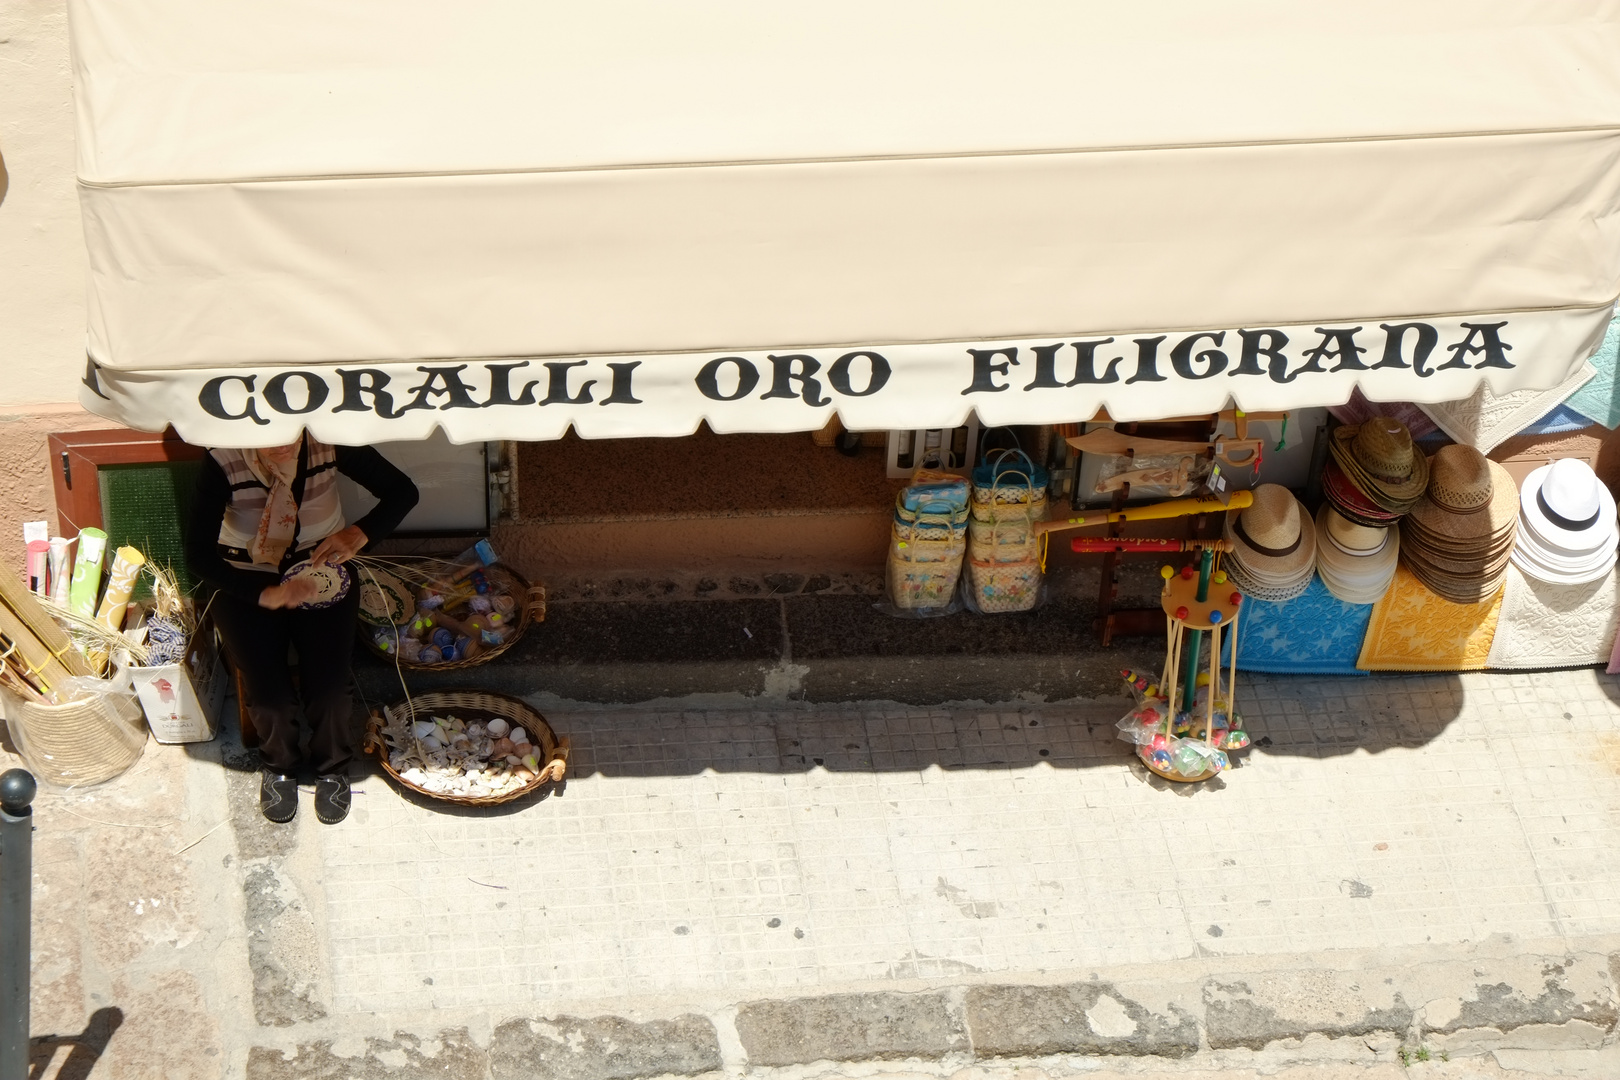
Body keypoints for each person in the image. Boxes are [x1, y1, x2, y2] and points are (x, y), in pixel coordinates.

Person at [186, 432, 418, 824]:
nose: (280, 441)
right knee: (269, 694)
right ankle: (279, 766)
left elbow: (403, 491)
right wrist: (264, 593)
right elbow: (197, 555)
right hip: (246, 582)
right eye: (266, 432)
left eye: (288, 429)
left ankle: (333, 768)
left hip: (323, 577)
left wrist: (359, 533)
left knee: (329, 687)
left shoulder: (329, 440)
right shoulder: (223, 460)